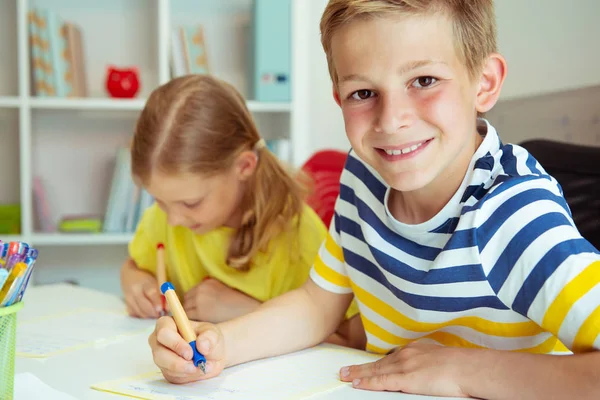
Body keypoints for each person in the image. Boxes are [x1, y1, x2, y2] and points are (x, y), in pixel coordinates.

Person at [147, 1, 600, 398]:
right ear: (338, 97)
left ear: (484, 83)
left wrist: (463, 369)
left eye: (424, 80)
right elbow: (315, 305)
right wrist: (219, 344)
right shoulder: (363, 177)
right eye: (363, 93)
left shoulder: (513, 213)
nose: (392, 119)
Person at [120, 74, 364, 349]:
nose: (173, 219)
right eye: (160, 201)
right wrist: (138, 285)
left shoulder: (297, 236)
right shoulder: (165, 216)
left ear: (244, 167)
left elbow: (349, 340)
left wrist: (248, 311)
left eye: (191, 203)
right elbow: (133, 267)